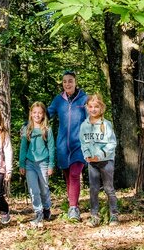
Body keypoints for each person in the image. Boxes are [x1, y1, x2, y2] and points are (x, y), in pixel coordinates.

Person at [47, 70, 87, 221]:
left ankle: (73, 208)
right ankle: (72, 204)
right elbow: (46, 115)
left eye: (70, 81)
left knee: (75, 174)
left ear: (75, 82)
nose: (67, 84)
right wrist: (28, 125)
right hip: (63, 146)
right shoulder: (58, 100)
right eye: (64, 81)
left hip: (79, 145)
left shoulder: (84, 99)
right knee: (69, 177)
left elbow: (92, 118)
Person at [79, 93, 119, 226]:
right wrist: (87, 155)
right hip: (92, 163)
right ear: (87, 107)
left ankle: (114, 215)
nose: (93, 109)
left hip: (106, 161)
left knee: (109, 188)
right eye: (90, 106)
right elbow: (83, 143)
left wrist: (100, 155)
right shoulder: (84, 126)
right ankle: (94, 216)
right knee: (93, 189)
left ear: (101, 108)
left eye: (96, 107)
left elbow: (112, 143)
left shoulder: (106, 124)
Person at [19, 101, 55, 228]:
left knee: (44, 188)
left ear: (44, 114)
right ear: (31, 114)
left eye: (40, 113)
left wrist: (51, 165)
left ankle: (46, 208)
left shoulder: (47, 129)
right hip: (30, 163)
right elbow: (23, 148)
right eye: (34, 112)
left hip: (43, 162)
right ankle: (38, 212)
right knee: (33, 189)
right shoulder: (27, 129)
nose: (37, 115)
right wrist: (21, 164)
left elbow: (51, 148)